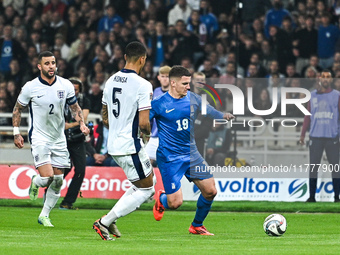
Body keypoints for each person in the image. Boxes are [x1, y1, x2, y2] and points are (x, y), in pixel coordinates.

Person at [151, 66, 233, 235]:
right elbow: (143, 121)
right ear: (173, 83)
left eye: (189, 83)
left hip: (191, 153)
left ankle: (196, 225)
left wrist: (222, 115)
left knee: (211, 191)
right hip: (169, 157)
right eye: (185, 83)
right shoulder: (159, 104)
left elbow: (209, 111)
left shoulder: (194, 99)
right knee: (175, 203)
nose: (188, 86)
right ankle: (161, 198)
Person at [12, 51, 90, 227]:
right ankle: (36, 181)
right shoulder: (30, 87)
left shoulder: (66, 85)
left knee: (59, 180)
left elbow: (75, 107)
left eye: (53, 63)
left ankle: (44, 215)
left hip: (58, 139)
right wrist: (17, 132)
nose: (51, 66)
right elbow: (17, 109)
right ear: (39, 66)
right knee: (47, 178)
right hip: (39, 137)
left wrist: (82, 124)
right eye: (47, 63)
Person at [93, 41, 155, 241]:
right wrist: (146, 135)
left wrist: (118, 128)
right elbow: (144, 123)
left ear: (125, 57)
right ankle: (104, 222)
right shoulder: (143, 85)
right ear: (142, 59)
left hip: (114, 143)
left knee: (146, 182)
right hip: (130, 145)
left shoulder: (110, 81)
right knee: (147, 189)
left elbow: (104, 116)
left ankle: (109, 220)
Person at [299, 70, 340, 203]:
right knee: (313, 168)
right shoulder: (312, 96)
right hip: (315, 137)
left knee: (335, 168)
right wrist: (302, 134)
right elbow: (307, 116)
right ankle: (311, 197)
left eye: (328, 77)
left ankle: (336, 197)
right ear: (319, 79)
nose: (326, 79)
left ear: (331, 80)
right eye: (324, 77)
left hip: (332, 137)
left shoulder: (337, 95)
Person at [60, 78, 91, 210]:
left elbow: (83, 118)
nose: (73, 92)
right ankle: (49, 194)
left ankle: (68, 202)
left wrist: (67, 125)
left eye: (76, 90)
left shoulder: (84, 101)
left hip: (78, 140)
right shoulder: (60, 99)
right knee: (63, 169)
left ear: (80, 90)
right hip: (63, 140)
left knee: (80, 171)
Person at [145, 65, 171, 166]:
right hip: (155, 134)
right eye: (163, 76)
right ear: (158, 77)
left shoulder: (176, 93)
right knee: (146, 161)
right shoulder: (155, 92)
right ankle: (148, 182)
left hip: (169, 136)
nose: (165, 79)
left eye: (167, 76)